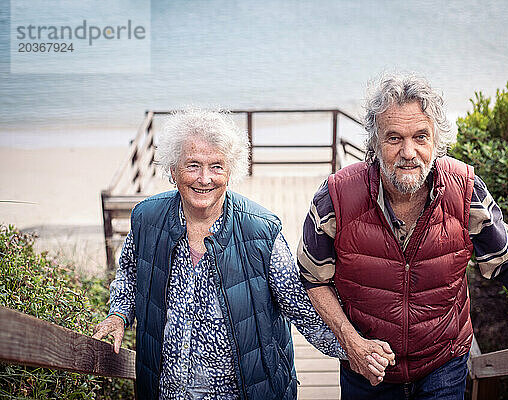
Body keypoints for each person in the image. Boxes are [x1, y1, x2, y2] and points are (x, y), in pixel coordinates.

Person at [297, 74, 508, 399]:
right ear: (374, 142)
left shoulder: (466, 191)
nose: (409, 152)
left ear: (436, 140)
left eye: (421, 136)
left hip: (444, 366)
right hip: (368, 371)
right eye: (394, 138)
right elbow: (313, 278)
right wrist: (350, 342)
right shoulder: (335, 197)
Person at [92, 108, 357, 400]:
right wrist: (118, 314)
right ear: (172, 169)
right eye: (193, 165)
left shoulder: (261, 232)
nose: (204, 179)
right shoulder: (147, 218)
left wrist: (355, 348)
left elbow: (303, 310)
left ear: (231, 171)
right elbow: (130, 273)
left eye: (216, 166)